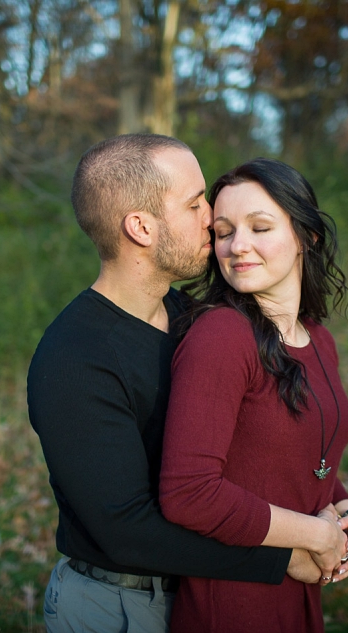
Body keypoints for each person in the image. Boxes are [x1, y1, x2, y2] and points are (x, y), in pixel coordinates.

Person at [27, 135, 321, 633]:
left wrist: (339, 505)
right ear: (141, 227)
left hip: (203, 596)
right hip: (118, 606)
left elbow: (262, 437)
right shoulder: (74, 358)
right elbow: (126, 530)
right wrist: (283, 557)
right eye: (194, 203)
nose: (211, 217)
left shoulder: (191, 318)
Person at [159, 158, 348, 632]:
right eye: (223, 232)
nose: (237, 246)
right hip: (234, 599)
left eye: (259, 228)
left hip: (297, 592)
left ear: (306, 237)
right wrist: (314, 534)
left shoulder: (318, 339)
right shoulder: (221, 336)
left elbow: (293, 453)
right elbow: (188, 492)